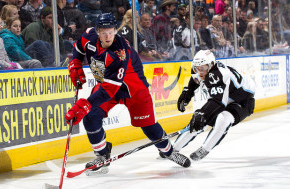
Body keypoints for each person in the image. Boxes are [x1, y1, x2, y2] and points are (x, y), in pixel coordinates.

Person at [64, 13, 191, 174]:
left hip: (133, 89)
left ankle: (169, 152)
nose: (108, 36)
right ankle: (102, 156)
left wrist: (85, 105)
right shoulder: (89, 35)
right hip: (106, 85)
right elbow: (78, 48)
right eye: (103, 32)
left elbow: (108, 91)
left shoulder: (119, 52)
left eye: (111, 32)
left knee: (148, 125)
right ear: (97, 31)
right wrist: (75, 63)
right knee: (91, 116)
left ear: (116, 30)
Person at [171, 50, 255, 161]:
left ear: (211, 65)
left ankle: (205, 148)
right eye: (197, 68)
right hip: (222, 98)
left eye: (203, 68)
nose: (200, 72)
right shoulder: (200, 68)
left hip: (242, 100)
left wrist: (202, 114)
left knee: (223, 119)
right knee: (198, 122)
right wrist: (188, 92)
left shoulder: (219, 74)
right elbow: (195, 79)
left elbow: (218, 102)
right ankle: (173, 149)